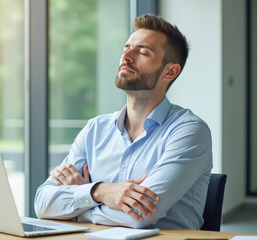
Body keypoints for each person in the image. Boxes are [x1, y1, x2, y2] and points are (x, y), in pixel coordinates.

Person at [34, 14, 212, 230]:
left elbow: (138, 216)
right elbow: (42, 203)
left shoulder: (189, 131)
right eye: (126, 48)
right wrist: (99, 192)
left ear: (170, 71)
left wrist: (79, 206)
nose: (126, 56)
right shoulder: (95, 129)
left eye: (143, 52)